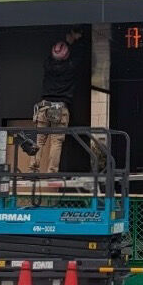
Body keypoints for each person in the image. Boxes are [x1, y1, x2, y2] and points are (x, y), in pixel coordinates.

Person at [31, 26, 86, 174]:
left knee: (40, 140)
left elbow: (52, 52)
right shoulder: (70, 66)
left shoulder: (48, 65)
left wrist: (64, 41)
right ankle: (52, 171)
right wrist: (75, 40)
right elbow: (79, 55)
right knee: (56, 141)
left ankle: (33, 169)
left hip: (44, 106)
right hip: (60, 108)